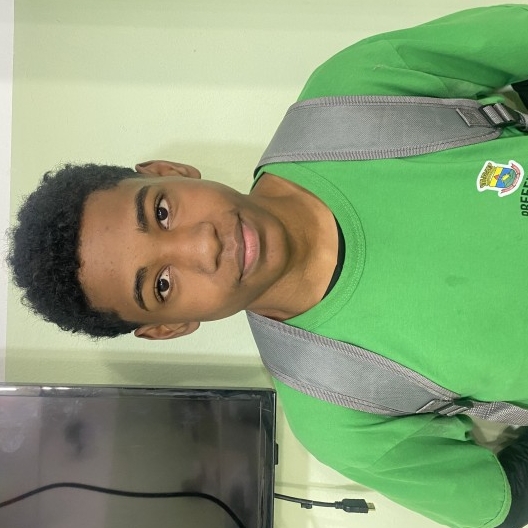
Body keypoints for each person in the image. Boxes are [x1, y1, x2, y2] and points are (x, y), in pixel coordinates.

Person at [7, 5, 528, 528]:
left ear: (171, 171)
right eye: (162, 284)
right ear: (170, 326)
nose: (202, 247)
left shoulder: (353, 96)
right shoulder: (339, 412)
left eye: (162, 212)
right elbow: (499, 504)